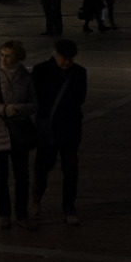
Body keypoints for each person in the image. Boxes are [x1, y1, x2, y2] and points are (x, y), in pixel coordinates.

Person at [0, 39, 37, 230]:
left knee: (22, 176)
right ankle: (4, 214)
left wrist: (18, 109)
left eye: (8, 55)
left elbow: (34, 104)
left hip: (19, 133)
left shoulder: (26, 78)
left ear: (18, 57)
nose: (3, 59)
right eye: (2, 54)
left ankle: (21, 215)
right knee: (0, 176)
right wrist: (3, 110)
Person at [32, 39, 87, 226]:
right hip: (48, 129)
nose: (68, 61)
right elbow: (35, 97)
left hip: (70, 128)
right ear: (56, 54)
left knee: (70, 170)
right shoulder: (40, 71)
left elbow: (80, 98)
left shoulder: (79, 72)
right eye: (65, 57)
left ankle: (69, 207)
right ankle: (36, 198)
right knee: (42, 167)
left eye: (71, 58)